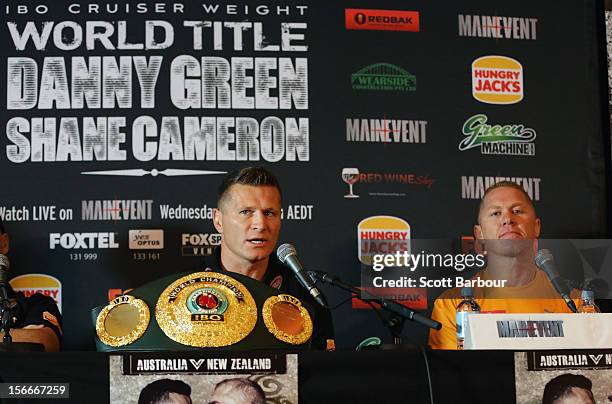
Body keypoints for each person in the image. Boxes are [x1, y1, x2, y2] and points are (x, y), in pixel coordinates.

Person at [428, 181, 578, 350]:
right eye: (496, 213)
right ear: (480, 234)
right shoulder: (452, 306)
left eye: (517, 211)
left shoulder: (574, 303)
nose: (507, 219)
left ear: (536, 227)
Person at [206, 166, 334, 349]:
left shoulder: (304, 295)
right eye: (246, 212)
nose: (260, 224)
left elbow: (323, 372)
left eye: (269, 213)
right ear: (218, 221)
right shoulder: (182, 287)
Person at [0, 219, 62, 352]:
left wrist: (26, 337)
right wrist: (15, 334)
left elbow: (43, 341)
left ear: (4, 243)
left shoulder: (36, 305)